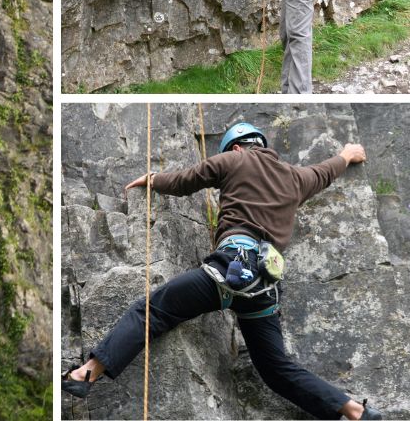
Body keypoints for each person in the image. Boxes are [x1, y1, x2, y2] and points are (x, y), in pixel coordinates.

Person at [62, 122, 383, 420]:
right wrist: (347, 154)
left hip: (228, 269)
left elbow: (188, 179)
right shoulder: (296, 178)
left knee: (151, 312)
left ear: (236, 148)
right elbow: (326, 172)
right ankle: (355, 411)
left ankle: (85, 373)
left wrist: (152, 180)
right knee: (276, 369)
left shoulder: (235, 162)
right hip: (263, 288)